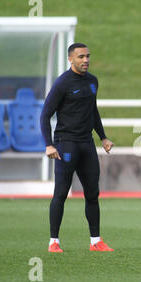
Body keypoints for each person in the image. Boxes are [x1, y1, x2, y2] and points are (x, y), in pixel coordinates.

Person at [40, 43, 114, 252]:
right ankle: (54, 242)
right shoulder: (62, 83)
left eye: (88, 56)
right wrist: (49, 144)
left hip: (87, 144)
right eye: (81, 57)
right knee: (61, 193)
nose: (86, 60)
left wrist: (103, 137)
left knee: (92, 193)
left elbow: (93, 110)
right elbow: (45, 114)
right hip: (66, 144)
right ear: (71, 59)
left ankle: (95, 241)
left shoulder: (92, 81)